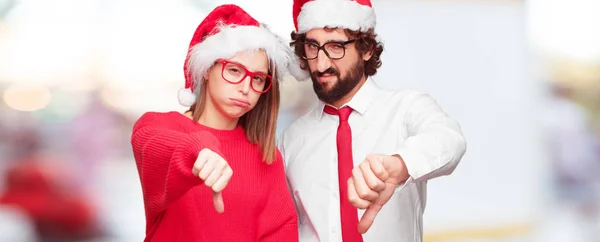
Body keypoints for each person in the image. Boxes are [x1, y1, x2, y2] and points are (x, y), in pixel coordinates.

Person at [278, 0, 468, 241]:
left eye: (336, 46)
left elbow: (449, 139)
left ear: (366, 48)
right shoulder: (290, 142)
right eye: (312, 47)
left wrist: (401, 165)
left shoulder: (405, 108)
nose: (321, 64)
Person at [130, 4, 301, 242]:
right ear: (208, 69)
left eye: (258, 79)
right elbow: (149, 142)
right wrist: (198, 149)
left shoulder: (267, 156)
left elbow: (281, 232)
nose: (245, 88)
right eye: (234, 70)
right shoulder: (159, 127)